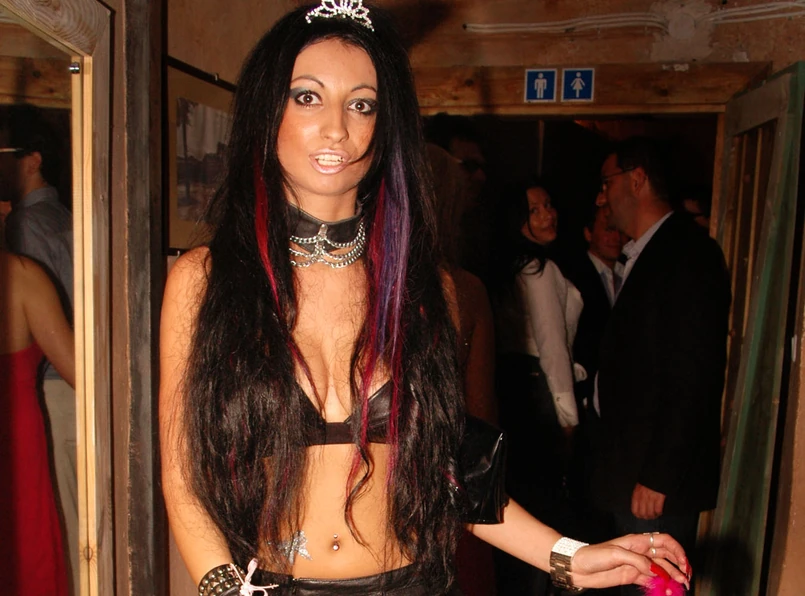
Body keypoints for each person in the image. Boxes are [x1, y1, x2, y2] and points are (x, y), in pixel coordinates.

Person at [159, 4, 691, 595]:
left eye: (362, 104)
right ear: (267, 111)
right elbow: (183, 475)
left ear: (386, 125)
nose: (337, 127)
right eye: (307, 97)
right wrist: (223, 589)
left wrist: (569, 555)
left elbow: (455, 475)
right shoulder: (206, 281)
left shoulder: (426, 289)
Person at [593, 137, 730, 596]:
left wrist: (658, 476)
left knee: (654, 588)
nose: (602, 197)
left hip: (654, 483)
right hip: (631, 470)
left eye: (607, 183)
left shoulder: (687, 253)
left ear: (637, 179)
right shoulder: (647, 252)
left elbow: (693, 374)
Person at [493, 181, 587, 595]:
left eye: (549, 205)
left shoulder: (509, 266)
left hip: (512, 389)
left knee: (520, 507)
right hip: (536, 393)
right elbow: (552, 346)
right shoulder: (538, 269)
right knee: (542, 514)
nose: (548, 214)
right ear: (518, 220)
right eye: (535, 210)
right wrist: (568, 417)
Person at [0, 104, 77, 595]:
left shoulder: (27, 227)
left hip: (50, 395)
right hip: (38, 409)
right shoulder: (63, 216)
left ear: (31, 160)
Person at [0, 247, 75, 596]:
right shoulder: (22, 276)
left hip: (18, 439)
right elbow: (83, 375)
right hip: (16, 442)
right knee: (28, 555)